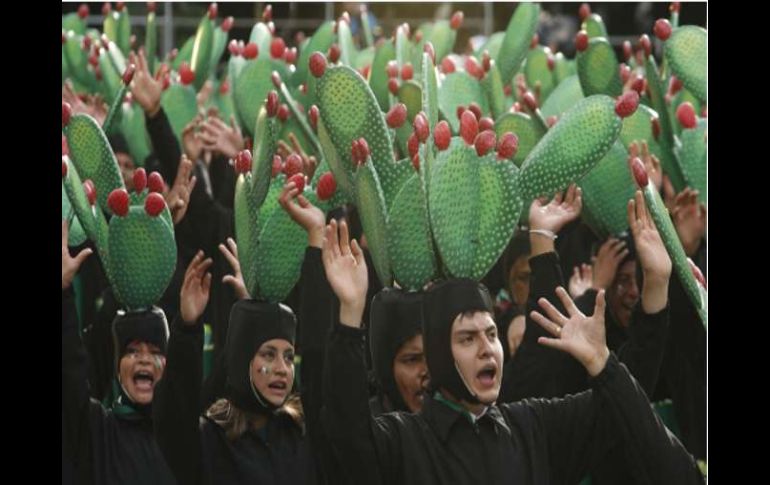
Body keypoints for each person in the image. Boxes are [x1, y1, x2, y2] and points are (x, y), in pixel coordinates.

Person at [317, 212, 703, 485]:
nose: (487, 349)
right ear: (438, 354)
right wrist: (350, 314)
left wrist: (654, 289)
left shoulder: (531, 427)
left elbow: (623, 406)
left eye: (490, 334)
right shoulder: (404, 441)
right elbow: (347, 436)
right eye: (467, 339)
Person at [62, 222, 176, 485]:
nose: (144, 358)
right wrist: (64, 295)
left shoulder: (186, 438)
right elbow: (70, 373)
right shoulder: (98, 432)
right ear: (117, 367)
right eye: (132, 351)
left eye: (155, 350)